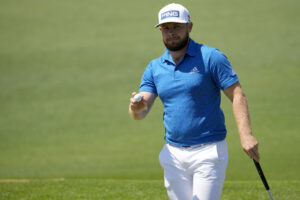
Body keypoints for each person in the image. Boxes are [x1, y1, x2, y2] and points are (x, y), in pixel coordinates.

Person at [129, 3, 259, 200]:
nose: (171, 33)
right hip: (173, 154)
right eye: (166, 28)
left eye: (177, 27)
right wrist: (137, 107)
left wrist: (246, 135)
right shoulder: (154, 67)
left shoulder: (211, 57)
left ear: (189, 26)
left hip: (208, 151)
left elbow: (237, 94)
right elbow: (141, 111)